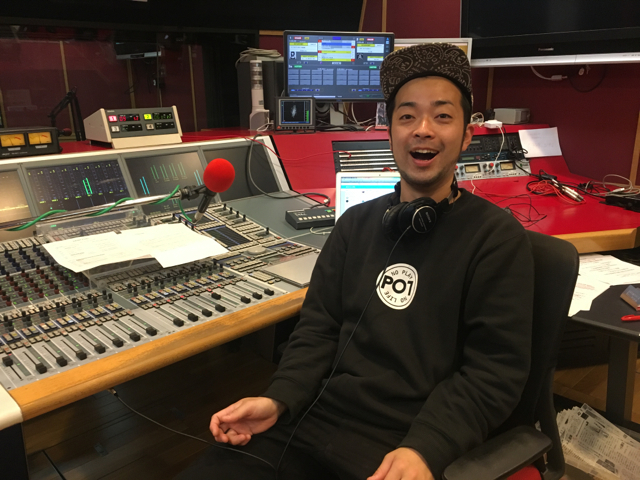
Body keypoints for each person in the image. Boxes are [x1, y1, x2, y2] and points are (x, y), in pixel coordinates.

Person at [176, 43, 534, 480]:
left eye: (442, 116)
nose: (422, 130)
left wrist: (426, 449)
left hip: (407, 444)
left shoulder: (497, 239)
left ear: (466, 136)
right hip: (312, 421)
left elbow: (494, 372)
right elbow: (318, 328)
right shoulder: (356, 224)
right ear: (390, 133)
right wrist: (279, 397)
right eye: (407, 116)